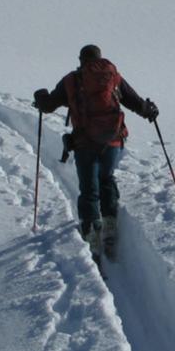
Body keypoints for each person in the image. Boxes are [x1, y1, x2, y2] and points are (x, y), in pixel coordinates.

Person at [33, 45, 158, 255]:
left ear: (80, 59)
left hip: (84, 143)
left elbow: (48, 106)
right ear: (100, 59)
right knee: (107, 179)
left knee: (89, 190)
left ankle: (92, 238)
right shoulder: (112, 76)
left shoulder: (71, 81)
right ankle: (110, 227)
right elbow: (133, 100)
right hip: (113, 141)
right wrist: (149, 111)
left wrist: (40, 97)